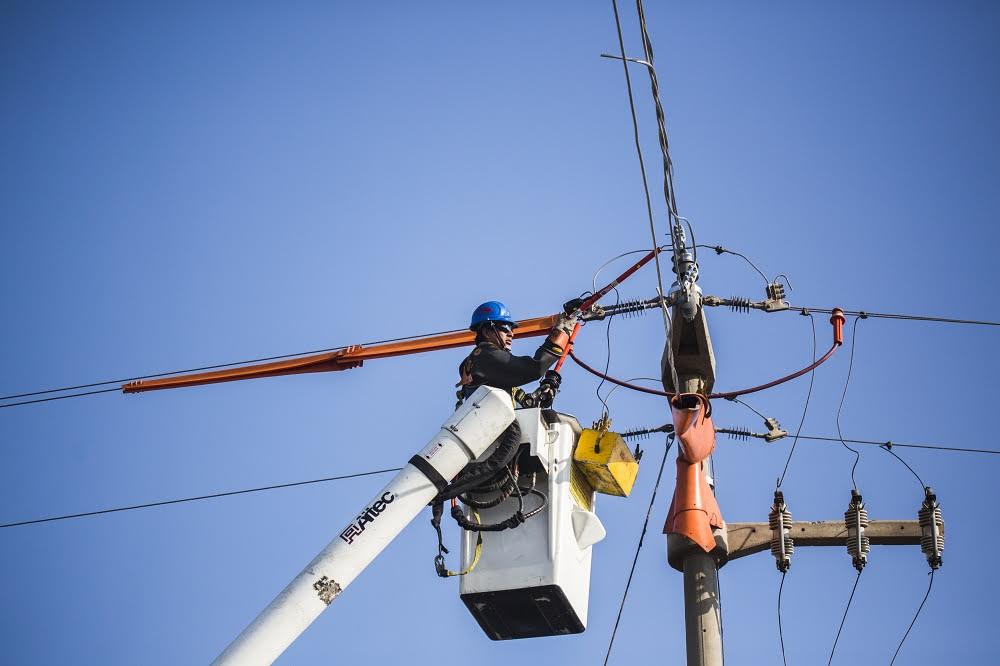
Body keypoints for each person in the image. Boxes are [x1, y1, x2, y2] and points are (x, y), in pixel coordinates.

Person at [455, 300, 578, 408]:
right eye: (506, 328)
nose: (511, 334)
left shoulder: (482, 365)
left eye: (512, 330)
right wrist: (562, 332)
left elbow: (514, 403)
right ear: (487, 332)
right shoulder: (487, 357)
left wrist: (536, 397)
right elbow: (535, 368)